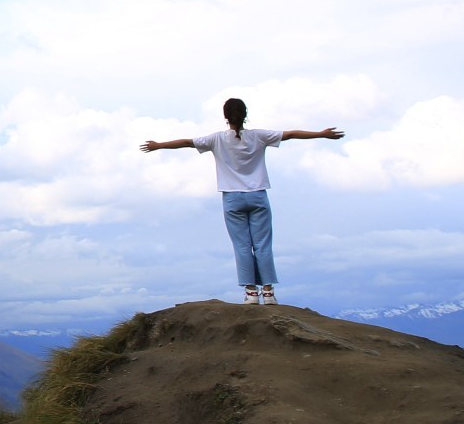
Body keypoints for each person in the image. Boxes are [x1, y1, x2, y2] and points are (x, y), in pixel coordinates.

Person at [141, 98, 342, 305]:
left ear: (225, 117)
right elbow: (290, 134)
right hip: (258, 195)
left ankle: (251, 293)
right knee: (263, 245)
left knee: (242, 246)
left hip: (232, 198)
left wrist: (159, 146)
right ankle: (269, 292)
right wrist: (321, 134)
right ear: (245, 114)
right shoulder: (259, 136)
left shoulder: (217, 139)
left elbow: (186, 142)